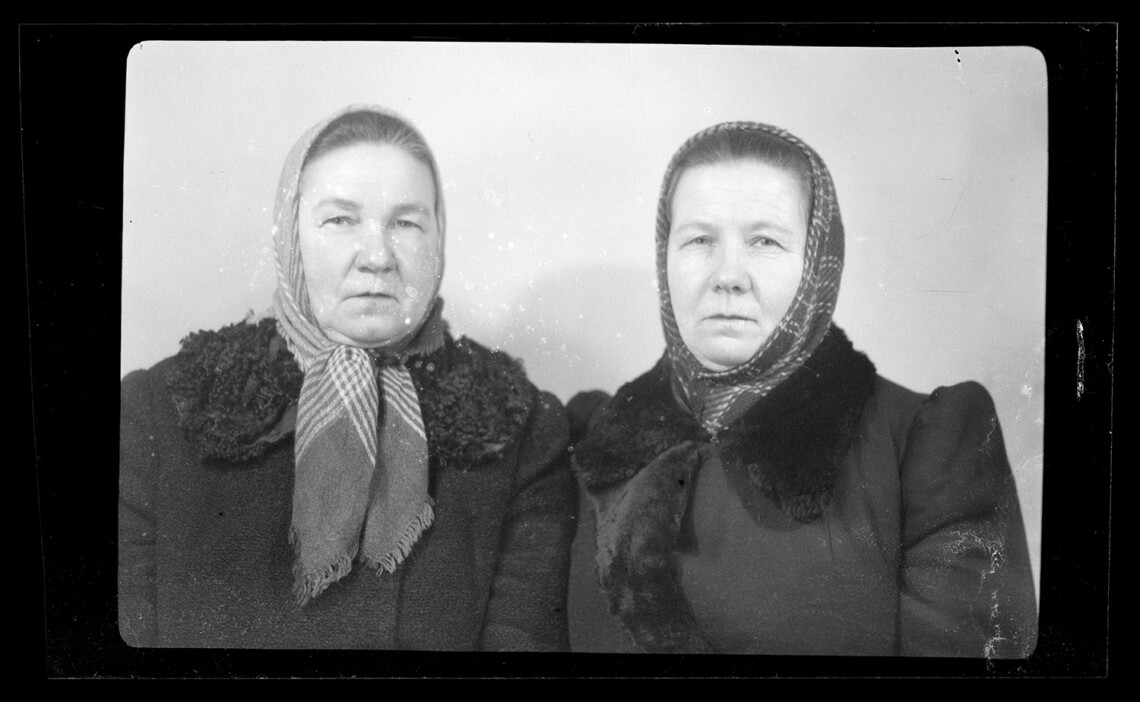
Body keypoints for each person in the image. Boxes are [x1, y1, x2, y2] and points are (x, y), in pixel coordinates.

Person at [568, 121, 1038, 657]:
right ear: (664, 257)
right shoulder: (594, 441)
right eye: (699, 240)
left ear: (815, 264)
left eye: (765, 241)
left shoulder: (925, 446)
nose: (728, 275)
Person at [118, 105, 577, 650]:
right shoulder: (157, 411)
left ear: (440, 240)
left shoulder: (521, 427)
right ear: (291, 237)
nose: (377, 257)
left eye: (406, 222)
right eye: (339, 220)